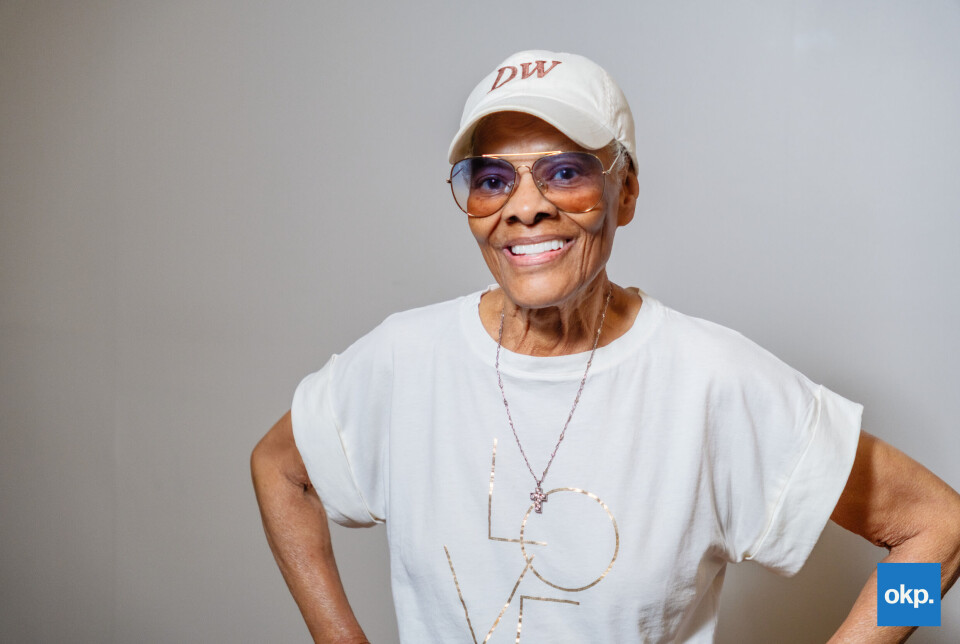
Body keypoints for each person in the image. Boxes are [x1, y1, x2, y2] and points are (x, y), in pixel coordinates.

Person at [251, 50, 960, 643]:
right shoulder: (405, 359)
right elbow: (280, 469)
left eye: (565, 171)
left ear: (625, 193)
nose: (524, 207)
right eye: (492, 179)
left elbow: (940, 528)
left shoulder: (712, 380)